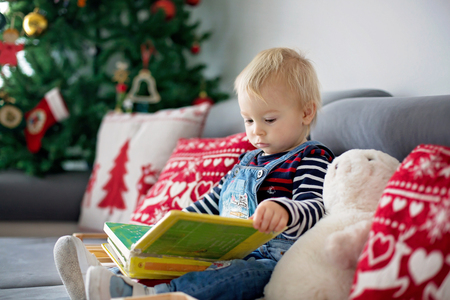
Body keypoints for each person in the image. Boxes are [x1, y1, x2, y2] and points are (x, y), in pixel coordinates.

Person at [54, 47, 334, 300]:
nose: (255, 131)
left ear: (306, 113)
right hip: (225, 251)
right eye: (248, 120)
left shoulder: (311, 157)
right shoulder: (248, 159)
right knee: (174, 257)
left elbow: (316, 208)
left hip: (272, 260)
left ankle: (147, 295)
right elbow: (213, 201)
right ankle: (110, 277)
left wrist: (284, 210)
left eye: (269, 120)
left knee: (232, 275)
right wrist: (178, 222)